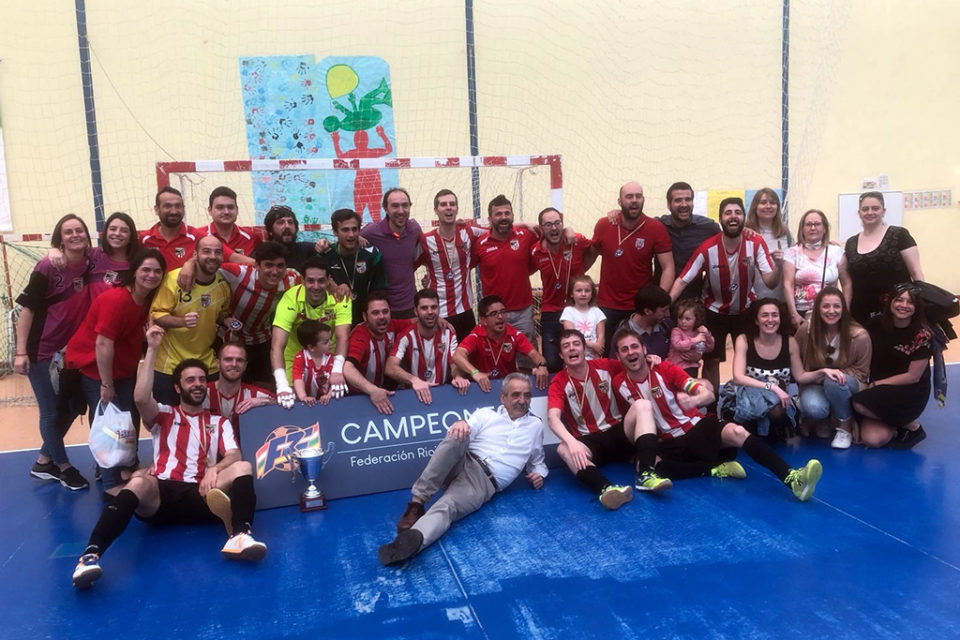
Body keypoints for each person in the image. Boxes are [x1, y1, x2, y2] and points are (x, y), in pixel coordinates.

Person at [71, 325, 267, 589]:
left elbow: (233, 454)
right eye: (190, 380)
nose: (197, 384)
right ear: (178, 387)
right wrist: (151, 348)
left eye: (201, 379)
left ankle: (240, 535)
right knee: (138, 483)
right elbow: (141, 397)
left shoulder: (219, 422)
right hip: (161, 496)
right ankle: (90, 556)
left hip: (202, 493)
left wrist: (215, 469)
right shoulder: (163, 414)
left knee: (242, 466)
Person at [611, 328, 822, 500]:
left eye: (634, 347)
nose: (631, 352)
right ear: (618, 356)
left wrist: (693, 399)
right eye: (624, 349)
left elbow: (707, 393)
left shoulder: (665, 369)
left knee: (737, 432)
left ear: (644, 348)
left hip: (693, 426)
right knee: (648, 466)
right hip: (664, 441)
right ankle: (713, 469)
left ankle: (792, 478)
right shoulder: (618, 383)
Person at [377, 373, 547, 565]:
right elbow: (468, 427)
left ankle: (412, 541)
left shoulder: (535, 426)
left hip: (483, 482)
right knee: (457, 435)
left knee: (448, 506)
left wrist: (539, 473)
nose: (522, 401)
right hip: (461, 460)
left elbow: (537, 460)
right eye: (516, 395)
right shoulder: (486, 414)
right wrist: (461, 424)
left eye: (526, 395)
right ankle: (417, 503)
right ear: (503, 397)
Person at [64, 249, 166, 492]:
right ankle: (110, 482)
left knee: (128, 417)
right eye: (146, 270)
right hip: (94, 368)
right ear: (134, 272)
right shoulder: (116, 300)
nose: (151, 275)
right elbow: (102, 343)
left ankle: (124, 467)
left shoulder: (147, 299)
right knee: (109, 423)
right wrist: (106, 384)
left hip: (123, 368)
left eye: (157, 271)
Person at [669, 196, 780, 397]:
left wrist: (779, 266)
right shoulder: (707, 248)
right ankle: (712, 409)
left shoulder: (755, 243)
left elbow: (770, 281)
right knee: (711, 361)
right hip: (713, 312)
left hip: (745, 310)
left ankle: (747, 405)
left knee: (748, 360)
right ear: (720, 218)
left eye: (737, 212)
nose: (733, 217)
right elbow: (683, 279)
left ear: (744, 217)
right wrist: (665, 305)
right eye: (728, 213)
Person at [15, 214, 96, 490]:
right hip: (42, 351)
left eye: (79, 230)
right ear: (60, 238)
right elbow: (27, 309)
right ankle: (63, 468)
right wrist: (20, 352)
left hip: (71, 353)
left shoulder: (91, 263)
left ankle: (43, 461)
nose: (75, 235)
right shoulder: (48, 266)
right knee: (50, 412)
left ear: (86, 235)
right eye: (68, 232)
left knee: (73, 406)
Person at [547, 329, 671, 508]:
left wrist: (649, 357)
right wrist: (572, 442)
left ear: (584, 349)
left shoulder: (605, 365)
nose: (572, 349)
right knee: (563, 449)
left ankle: (645, 474)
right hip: (589, 441)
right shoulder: (559, 381)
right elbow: (553, 418)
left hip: (618, 432)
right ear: (561, 354)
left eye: (576, 344)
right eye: (566, 346)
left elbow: (633, 362)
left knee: (642, 405)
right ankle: (606, 489)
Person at [729, 298, 841, 441]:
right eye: (765, 315)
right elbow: (738, 378)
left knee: (777, 413)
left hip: (777, 403)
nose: (770, 319)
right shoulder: (744, 340)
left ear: (780, 318)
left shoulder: (790, 342)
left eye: (775, 315)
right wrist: (773, 388)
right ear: (756, 320)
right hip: (750, 399)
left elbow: (800, 376)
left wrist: (823, 372)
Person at [593, 181, 674, 356]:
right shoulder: (604, 225)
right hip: (608, 305)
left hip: (640, 307)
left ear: (643, 199)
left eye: (638, 196)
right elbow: (587, 256)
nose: (634, 200)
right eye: (629, 196)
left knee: (641, 356)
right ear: (620, 201)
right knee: (609, 357)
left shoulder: (655, 228)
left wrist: (656, 301)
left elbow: (668, 268)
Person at [150, 236, 233, 405]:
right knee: (169, 423)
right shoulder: (173, 280)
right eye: (206, 251)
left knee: (206, 421)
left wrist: (226, 320)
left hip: (206, 364)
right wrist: (181, 322)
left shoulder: (223, 285)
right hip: (170, 365)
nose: (212, 256)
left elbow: (220, 313)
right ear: (195, 254)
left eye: (218, 252)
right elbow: (156, 316)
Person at [851, 283, 932, 449]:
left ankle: (912, 426)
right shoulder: (875, 324)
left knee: (858, 403)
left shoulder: (922, 335)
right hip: (881, 389)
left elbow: (913, 376)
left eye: (910, 302)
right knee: (872, 439)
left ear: (916, 307)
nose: (904, 305)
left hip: (909, 391)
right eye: (899, 300)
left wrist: (874, 385)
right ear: (890, 302)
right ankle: (894, 423)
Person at [794, 286, 871, 448]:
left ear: (843, 309)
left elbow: (862, 372)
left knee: (834, 382)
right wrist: (821, 375)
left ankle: (845, 426)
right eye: (826, 306)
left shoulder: (859, 335)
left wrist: (833, 375)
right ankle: (822, 418)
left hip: (849, 384)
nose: (831, 311)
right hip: (815, 383)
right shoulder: (805, 332)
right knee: (814, 408)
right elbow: (798, 365)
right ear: (817, 309)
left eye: (836, 306)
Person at [271, 256, 352, 408]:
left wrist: (337, 369)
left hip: (329, 357)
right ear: (302, 280)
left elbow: (343, 337)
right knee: (292, 403)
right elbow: (277, 344)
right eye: (310, 281)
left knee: (334, 401)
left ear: (329, 280)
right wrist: (281, 384)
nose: (316, 286)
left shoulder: (341, 297)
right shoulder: (290, 298)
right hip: (295, 357)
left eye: (321, 281)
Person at [843, 191, 924, 325]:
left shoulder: (899, 235)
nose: (870, 212)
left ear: (883, 211)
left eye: (875, 208)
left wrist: (921, 301)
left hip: (897, 310)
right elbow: (848, 279)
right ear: (859, 213)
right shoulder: (851, 242)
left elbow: (916, 271)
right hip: (862, 310)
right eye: (865, 209)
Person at [531, 207, 595, 371]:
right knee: (552, 363)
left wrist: (583, 268)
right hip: (551, 312)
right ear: (541, 228)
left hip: (577, 310)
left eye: (558, 223)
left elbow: (598, 247)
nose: (554, 228)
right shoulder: (535, 251)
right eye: (548, 224)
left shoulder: (576, 241)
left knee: (582, 360)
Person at [416, 189, 485, 340]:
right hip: (438, 314)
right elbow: (407, 269)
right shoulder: (425, 241)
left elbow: (497, 230)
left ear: (457, 209)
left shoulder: (468, 231)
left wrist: (524, 225)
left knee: (469, 358)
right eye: (443, 204)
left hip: (465, 311)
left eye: (452, 204)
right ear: (436, 210)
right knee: (442, 361)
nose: (448, 207)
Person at [471, 194, 540, 344]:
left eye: (507, 213)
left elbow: (552, 232)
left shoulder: (526, 235)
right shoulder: (480, 244)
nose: (503, 217)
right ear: (490, 219)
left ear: (513, 215)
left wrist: (568, 230)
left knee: (527, 359)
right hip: (493, 313)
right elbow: (463, 267)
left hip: (523, 311)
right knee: (495, 357)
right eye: (498, 214)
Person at [386, 288, 470, 404]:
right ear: (416, 311)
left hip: (442, 393)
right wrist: (414, 380)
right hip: (413, 396)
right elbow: (390, 368)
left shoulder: (449, 333)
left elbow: (454, 364)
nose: (430, 312)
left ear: (439, 309)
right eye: (424, 308)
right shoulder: (406, 336)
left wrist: (458, 376)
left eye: (434, 307)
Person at [452, 295, 549, 392]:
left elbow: (534, 354)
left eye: (503, 312)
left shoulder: (514, 334)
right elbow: (457, 356)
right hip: (481, 387)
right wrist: (475, 373)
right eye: (494, 313)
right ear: (484, 320)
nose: (500, 316)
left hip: (508, 387)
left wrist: (542, 365)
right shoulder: (477, 335)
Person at [342, 292, 410, 414]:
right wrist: (373, 390)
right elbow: (347, 368)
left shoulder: (392, 325)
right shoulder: (360, 336)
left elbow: (415, 322)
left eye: (385, 311)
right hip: (357, 397)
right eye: (375, 313)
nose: (382, 317)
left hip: (383, 391)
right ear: (365, 316)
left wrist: (439, 320)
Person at [360, 187, 422, 318]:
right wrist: (322, 244)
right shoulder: (371, 232)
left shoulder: (415, 229)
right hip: (383, 311)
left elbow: (427, 249)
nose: (401, 211)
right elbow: (347, 240)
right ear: (386, 209)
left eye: (405, 205)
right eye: (395, 206)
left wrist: (457, 226)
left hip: (411, 307)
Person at [783, 209, 849, 329]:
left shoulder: (836, 251)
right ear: (802, 229)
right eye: (808, 224)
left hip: (830, 311)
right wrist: (794, 315)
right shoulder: (792, 253)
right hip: (801, 312)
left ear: (824, 229)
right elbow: (788, 284)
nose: (813, 228)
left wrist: (845, 311)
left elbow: (846, 283)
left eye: (817, 224)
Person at [321, 208, 387, 325]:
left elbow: (380, 291)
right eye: (345, 230)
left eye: (354, 229)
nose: (351, 235)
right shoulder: (326, 255)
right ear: (335, 232)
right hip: (335, 321)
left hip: (365, 321)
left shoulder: (372, 255)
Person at [656, 181, 720, 301]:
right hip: (661, 295)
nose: (684, 204)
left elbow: (729, 236)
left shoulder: (708, 227)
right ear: (668, 204)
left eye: (688, 199)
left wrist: (746, 230)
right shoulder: (658, 225)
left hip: (694, 298)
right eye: (678, 200)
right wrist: (618, 214)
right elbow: (636, 223)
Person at [204, 342, 275, 440]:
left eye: (239, 360)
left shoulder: (255, 394)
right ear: (218, 363)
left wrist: (266, 401)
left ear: (245, 365)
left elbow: (290, 404)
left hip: (245, 452)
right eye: (228, 359)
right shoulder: (202, 393)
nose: (234, 364)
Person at [139, 187, 203, 270]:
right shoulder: (144, 239)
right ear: (157, 210)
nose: (174, 211)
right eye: (167, 206)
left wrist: (191, 263)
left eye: (178, 206)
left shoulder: (198, 237)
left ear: (183, 208)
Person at [745, 188, 791, 301]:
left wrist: (824, 243)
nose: (768, 206)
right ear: (755, 206)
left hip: (780, 299)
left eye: (772, 202)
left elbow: (800, 253)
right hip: (752, 300)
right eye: (763, 202)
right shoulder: (746, 232)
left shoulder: (785, 233)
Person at [613, 284, 674, 359]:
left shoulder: (666, 325)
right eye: (663, 311)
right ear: (647, 311)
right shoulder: (622, 334)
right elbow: (616, 365)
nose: (667, 314)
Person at [203, 186, 263, 258]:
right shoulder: (198, 237)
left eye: (230, 207)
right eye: (220, 207)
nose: (226, 212)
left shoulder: (252, 238)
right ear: (210, 211)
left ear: (237, 210)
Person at [560, 275, 606, 360]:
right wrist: (592, 345)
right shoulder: (568, 311)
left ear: (592, 294)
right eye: (579, 290)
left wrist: (598, 352)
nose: (583, 294)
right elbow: (572, 335)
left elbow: (601, 336)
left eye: (587, 291)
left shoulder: (597, 311)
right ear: (571, 294)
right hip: (575, 355)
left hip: (595, 356)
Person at [666, 298, 715, 377]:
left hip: (692, 367)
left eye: (687, 319)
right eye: (680, 318)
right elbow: (678, 345)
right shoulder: (676, 331)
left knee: (690, 387)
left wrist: (706, 334)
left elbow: (709, 348)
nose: (683, 321)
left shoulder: (699, 332)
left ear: (696, 319)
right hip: (676, 367)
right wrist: (694, 341)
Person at [263, 204, 318, 272]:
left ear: (296, 228)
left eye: (290, 222)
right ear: (270, 230)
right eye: (280, 222)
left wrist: (324, 244)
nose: (287, 226)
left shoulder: (308, 250)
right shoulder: (261, 254)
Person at [291, 320, 334, 406]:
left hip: (327, 402)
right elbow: (297, 379)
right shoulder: (301, 358)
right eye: (326, 342)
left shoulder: (331, 358)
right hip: (306, 404)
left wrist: (329, 395)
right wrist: (303, 397)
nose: (331, 343)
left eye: (330, 339)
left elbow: (335, 381)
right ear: (311, 347)